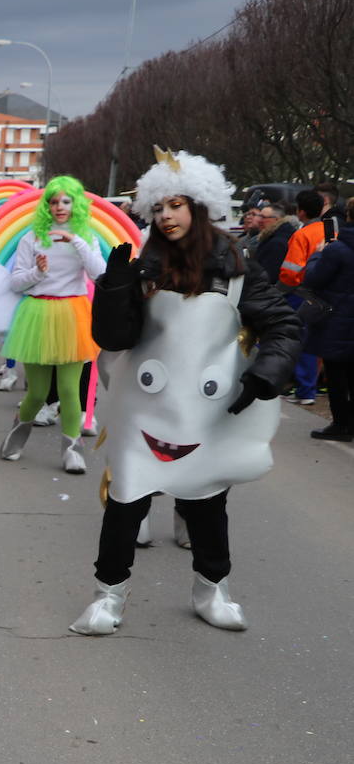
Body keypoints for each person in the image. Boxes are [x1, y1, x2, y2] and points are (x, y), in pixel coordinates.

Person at [71, 149, 300, 636]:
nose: (165, 216)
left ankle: (210, 588)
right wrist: (115, 290)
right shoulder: (145, 265)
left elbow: (282, 323)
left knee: (206, 504)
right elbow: (115, 341)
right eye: (158, 208)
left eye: (175, 205)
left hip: (205, 412)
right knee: (125, 502)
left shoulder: (237, 268)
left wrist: (265, 375)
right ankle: (107, 596)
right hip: (144, 409)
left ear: (198, 206)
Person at [0, 176, 105, 475]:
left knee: (70, 391)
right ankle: (16, 435)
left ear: (76, 204)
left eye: (66, 201)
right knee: (38, 393)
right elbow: (16, 282)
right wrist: (38, 272)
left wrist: (78, 242)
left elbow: (100, 274)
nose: (60, 207)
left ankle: (72, 451)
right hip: (39, 314)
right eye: (54, 201)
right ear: (47, 206)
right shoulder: (32, 237)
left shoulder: (86, 236)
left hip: (73, 313)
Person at [299, 198, 354, 440]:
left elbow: (312, 279)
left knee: (337, 375)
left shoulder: (336, 249)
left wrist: (317, 255)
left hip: (338, 320)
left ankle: (342, 424)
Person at [277, 189, 328, 405]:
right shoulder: (330, 230)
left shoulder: (302, 234)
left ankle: (304, 390)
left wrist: (277, 291)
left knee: (300, 340)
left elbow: (291, 271)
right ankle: (310, 387)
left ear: (301, 211)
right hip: (327, 291)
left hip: (301, 293)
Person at [254, 202, 298, 290]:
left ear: (277, 219)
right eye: (259, 216)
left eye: (263, 217)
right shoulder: (276, 237)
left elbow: (270, 275)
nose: (259, 220)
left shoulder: (277, 243)